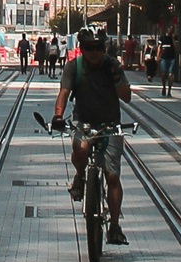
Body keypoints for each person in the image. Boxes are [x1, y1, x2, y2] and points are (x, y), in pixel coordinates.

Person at [53, 28, 132, 246]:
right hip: (84, 121)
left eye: (99, 48)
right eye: (89, 48)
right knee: (80, 149)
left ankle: (115, 226)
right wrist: (58, 116)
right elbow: (64, 93)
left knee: (113, 177)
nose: (95, 53)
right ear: (82, 49)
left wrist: (119, 78)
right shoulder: (73, 67)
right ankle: (80, 176)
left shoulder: (112, 65)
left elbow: (127, 97)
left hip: (110, 124)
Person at [158, 32, 178, 98]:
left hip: (172, 58)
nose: (171, 30)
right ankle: (164, 87)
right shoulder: (162, 37)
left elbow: (176, 47)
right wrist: (158, 56)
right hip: (164, 58)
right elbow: (159, 47)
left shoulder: (174, 37)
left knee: (170, 75)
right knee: (163, 74)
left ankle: (169, 91)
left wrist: (173, 39)